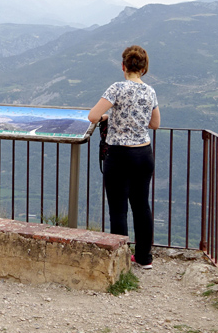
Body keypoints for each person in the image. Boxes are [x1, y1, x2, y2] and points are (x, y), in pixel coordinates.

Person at [88, 45, 160, 269]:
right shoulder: (150, 91)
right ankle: (144, 258)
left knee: (118, 209)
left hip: (119, 155)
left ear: (123, 66)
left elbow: (93, 115)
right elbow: (155, 124)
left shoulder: (116, 89)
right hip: (143, 154)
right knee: (141, 207)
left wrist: (110, 116)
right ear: (144, 69)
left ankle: (120, 259)